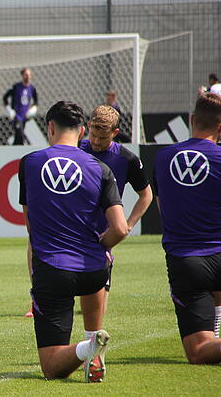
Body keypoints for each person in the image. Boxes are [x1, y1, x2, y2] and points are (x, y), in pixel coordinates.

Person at [20, 101, 128, 382]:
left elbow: (31, 223)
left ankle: (88, 348)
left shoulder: (30, 163)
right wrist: (100, 245)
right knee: (92, 288)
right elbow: (120, 228)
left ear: (50, 127)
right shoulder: (101, 168)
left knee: (52, 367)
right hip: (94, 270)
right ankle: (93, 350)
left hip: (54, 267)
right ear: (82, 131)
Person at [151, 92, 221, 364]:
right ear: (220, 127)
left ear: (192, 120)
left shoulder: (163, 157)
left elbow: (162, 208)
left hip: (187, 260)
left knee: (199, 351)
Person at [78, 105, 152, 319]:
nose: (95, 142)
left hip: (101, 240)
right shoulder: (76, 149)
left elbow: (146, 195)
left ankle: (95, 352)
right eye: (93, 135)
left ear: (115, 133)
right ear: (87, 128)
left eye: (102, 138)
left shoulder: (126, 159)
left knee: (96, 314)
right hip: (74, 233)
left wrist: (127, 226)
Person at [3, 68, 39, 145]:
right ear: (22, 76)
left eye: (29, 75)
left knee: (18, 138)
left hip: (25, 117)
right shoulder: (16, 87)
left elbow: (36, 101)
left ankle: (14, 151)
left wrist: (33, 109)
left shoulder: (32, 88)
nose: (28, 77)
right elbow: (5, 97)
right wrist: (9, 109)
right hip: (17, 116)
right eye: (26, 75)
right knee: (20, 134)